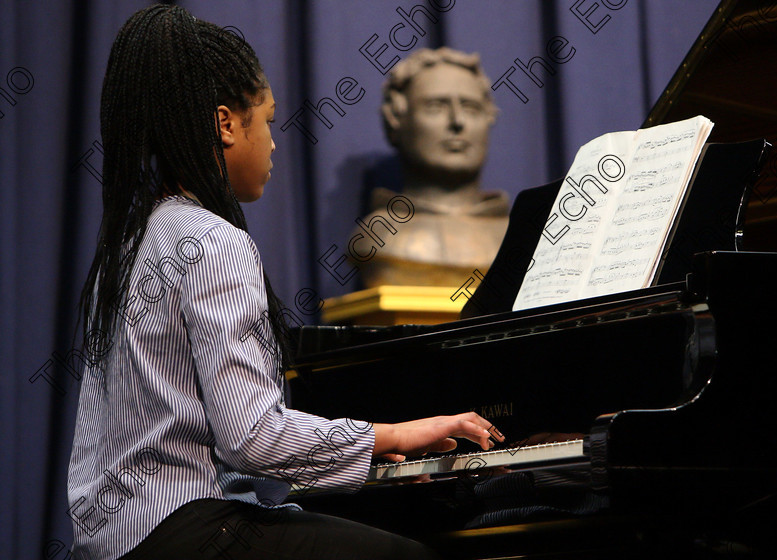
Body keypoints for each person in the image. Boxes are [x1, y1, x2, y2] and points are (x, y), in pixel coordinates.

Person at [68, 6, 501, 559]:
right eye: (267, 120)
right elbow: (252, 438)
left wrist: (351, 454)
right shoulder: (214, 242)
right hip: (189, 528)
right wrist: (391, 434)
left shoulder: (126, 244)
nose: (274, 143)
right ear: (226, 124)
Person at [353, 47, 509, 288]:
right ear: (395, 119)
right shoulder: (378, 236)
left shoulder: (520, 240)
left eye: (470, 107)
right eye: (436, 107)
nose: (457, 122)